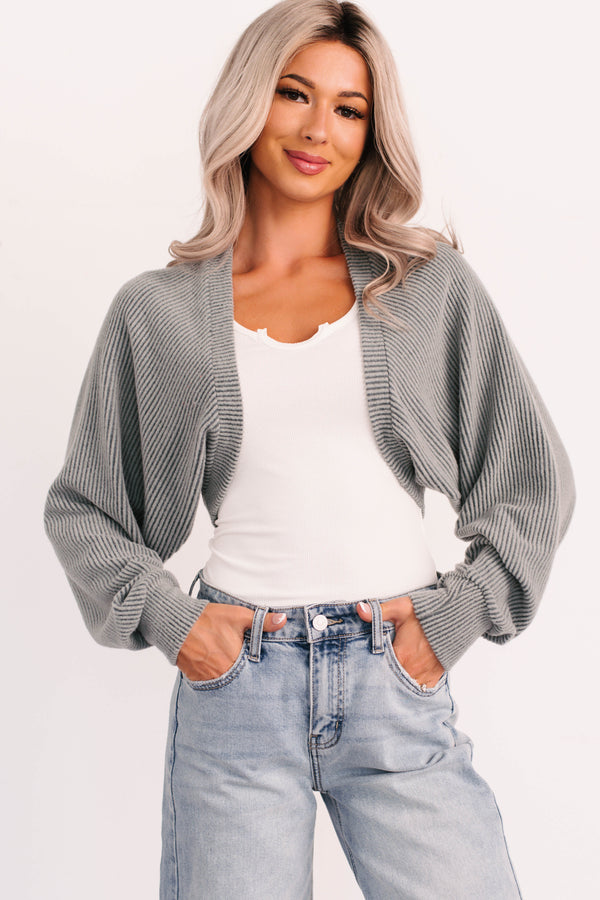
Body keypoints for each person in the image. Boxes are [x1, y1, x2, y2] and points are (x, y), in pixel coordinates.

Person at [43, 1, 576, 897]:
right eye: (295, 94)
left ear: (371, 133)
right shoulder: (158, 313)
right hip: (237, 689)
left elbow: (531, 482)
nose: (318, 128)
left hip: (395, 677)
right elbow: (85, 511)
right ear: (249, 100)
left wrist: (452, 620)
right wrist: (177, 624)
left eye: (349, 108)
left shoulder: (426, 287)